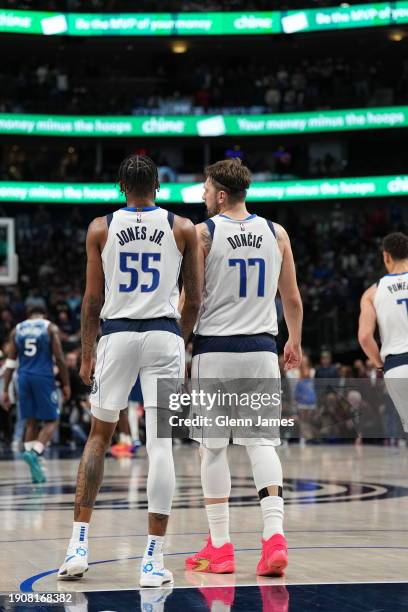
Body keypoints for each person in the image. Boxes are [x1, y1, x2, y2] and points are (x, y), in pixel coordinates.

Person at [58, 154, 200, 586]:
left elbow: (90, 302)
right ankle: (152, 561)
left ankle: (77, 546)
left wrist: (86, 353)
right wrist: (181, 339)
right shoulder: (182, 228)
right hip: (163, 336)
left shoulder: (101, 228)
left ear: (121, 188)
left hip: (115, 337)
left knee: (99, 437)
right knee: (160, 446)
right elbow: (193, 299)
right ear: (158, 186)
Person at [185, 159, 303, 577]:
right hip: (260, 348)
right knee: (262, 445)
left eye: (204, 189)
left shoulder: (204, 233)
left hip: (215, 349)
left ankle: (221, 547)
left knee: (212, 448)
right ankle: (274, 537)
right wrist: (295, 340)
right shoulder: (277, 232)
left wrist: (180, 337)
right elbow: (291, 299)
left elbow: (193, 299)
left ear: (220, 194)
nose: (202, 195)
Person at [2, 305, 70, 482]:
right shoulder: (49, 327)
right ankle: (35, 452)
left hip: (22, 377)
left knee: (30, 422)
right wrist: (66, 383)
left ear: (28, 315)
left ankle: (35, 469)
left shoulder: (17, 329)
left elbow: (10, 362)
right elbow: (60, 358)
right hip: (43, 377)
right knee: (52, 420)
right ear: (44, 315)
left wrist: (5, 390)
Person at [358, 232, 408, 437]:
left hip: (397, 367)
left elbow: (364, 337)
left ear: (386, 256)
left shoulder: (372, 293)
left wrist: (380, 364)